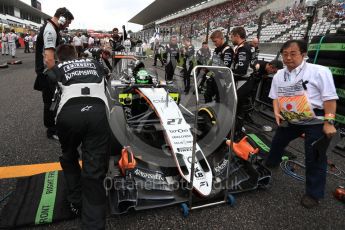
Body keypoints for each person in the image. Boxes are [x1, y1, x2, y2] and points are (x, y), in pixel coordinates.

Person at [265, 40, 338, 208]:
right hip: (291, 116)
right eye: (285, 54)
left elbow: (330, 98)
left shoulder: (319, 71)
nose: (288, 58)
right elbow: (275, 97)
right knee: (278, 141)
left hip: (314, 118)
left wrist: (329, 122)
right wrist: (277, 112)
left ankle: (313, 194)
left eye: (293, 53)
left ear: (303, 54)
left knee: (315, 155)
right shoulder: (279, 75)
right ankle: (271, 162)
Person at [47, 43, 109, 229]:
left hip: (68, 115)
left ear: (59, 58)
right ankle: (94, 224)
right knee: (95, 170)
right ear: (76, 54)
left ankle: (76, 201)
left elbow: (46, 94)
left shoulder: (57, 68)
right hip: (97, 112)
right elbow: (108, 75)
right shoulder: (95, 63)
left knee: (69, 155)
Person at [34, 7, 74, 140]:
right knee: (50, 102)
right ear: (61, 18)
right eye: (67, 22)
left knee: (54, 100)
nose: (67, 25)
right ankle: (52, 131)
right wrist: (60, 76)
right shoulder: (50, 30)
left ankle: (54, 127)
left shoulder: (51, 27)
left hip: (47, 71)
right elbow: (49, 58)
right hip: (47, 72)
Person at [203, 30, 233, 103]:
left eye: (215, 41)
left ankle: (219, 113)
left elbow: (225, 68)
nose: (214, 44)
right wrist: (206, 69)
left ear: (221, 38)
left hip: (223, 79)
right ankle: (208, 111)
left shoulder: (227, 50)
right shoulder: (217, 50)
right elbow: (213, 62)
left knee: (220, 99)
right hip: (215, 77)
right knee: (207, 95)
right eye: (213, 42)